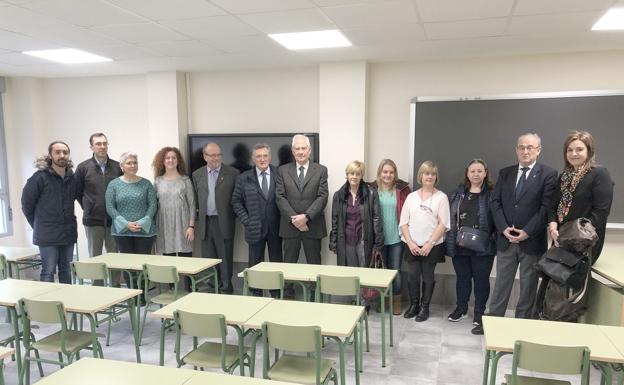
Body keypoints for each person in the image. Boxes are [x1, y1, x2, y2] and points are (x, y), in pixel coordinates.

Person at [487, 133, 558, 325]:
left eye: (530, 147)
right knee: (501, 284)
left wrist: (527, 231)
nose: (525, 151)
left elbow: (546, 208)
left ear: (538, 150)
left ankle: (522, 325)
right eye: (521, 147)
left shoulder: (549, 175)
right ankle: (494, 323)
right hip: (506, 240)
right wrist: (503, 229)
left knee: (528, 287)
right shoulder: (505, 173)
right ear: (516, 149)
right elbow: (495, 202)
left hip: (532, 242)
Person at [446, 159, 496, 334]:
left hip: (483, 247)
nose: (476, 174)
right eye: (472, 171)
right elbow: (449, 217)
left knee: (481, 281)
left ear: (485, 173)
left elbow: (497, 219)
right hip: (460, 245)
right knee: (462, 278)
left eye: (479, 171)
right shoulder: (457, 194)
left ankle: (479, 313)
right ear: (467, 173)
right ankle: (461, 309)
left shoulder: (492, 194)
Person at [275, 134, 328, 298]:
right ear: (292, 151)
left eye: (303, 148)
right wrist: (295, 219)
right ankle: (288, 295)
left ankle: (314, 296)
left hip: (312, 225)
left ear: (309, 150)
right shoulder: (282, 170)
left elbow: (322, 196)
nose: (300, 152)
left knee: (314, 264)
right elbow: (279, 197)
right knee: (289, 264)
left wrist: (306, 217)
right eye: (297, 148)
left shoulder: (320, 170)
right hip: (290, 227)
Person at [548, 131, 614, 262]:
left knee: (571, 282)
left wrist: (573, 239)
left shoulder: (599, 173)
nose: (573, 154)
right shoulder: (564, 177)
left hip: (583, 243)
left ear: (589, 151)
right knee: (552, 279)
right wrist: (553, 229)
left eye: (579, 149)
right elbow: (552, 206)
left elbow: (601, 212)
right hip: (560, 239)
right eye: (570, 150)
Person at [399, 160, 450, 322]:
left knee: (428, 276)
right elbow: (403, 223)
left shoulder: (441, 197)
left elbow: (443, 223)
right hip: (411, 244)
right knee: (412, 275)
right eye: (426, 173)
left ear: (436, 177)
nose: (430, 176)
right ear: (420, 176)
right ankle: (414, 305)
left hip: (432, 245)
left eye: (433, 174)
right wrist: (410, 243)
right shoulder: (411, 197)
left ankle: (424, 307)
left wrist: (430, 244)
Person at [21, 141, 78, 283]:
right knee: (48, 271)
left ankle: (67, 302)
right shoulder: (39, 178)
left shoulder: (72, 178)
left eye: (65, 152)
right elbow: (27, 205)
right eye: (58, 152)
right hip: (47, 235)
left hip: (68, 233)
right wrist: (38, 225)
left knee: (66, 269)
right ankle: (48, 304)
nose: (62, 155)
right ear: (50, 155)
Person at [232, 143, 283, 296]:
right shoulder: (243, 178)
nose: (262, 159)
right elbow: (236, 201)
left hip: (276, 228)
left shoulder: (279, 174)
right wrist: (247, 221)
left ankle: (276, 292)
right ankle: (256, 293)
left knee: (276, 263)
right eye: (258, 156)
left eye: (265, 155)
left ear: (270, 157)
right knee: (255, 264)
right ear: (253, 159)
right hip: (254, 228)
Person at [192, 143, 239, 293]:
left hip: (224, 221)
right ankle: (213, 287)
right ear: (205, 156)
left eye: (219, 154)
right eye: (212, 155)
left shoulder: (233, 173)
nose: (216, 158)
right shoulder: (197, 174)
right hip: (205, 222)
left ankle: (226, 288)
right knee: (209, 257)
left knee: (225, 257)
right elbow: (195, 199)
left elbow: (238, 199)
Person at [369, 159, 411, 315]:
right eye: (385, 172)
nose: (388, 175)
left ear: (395, 174)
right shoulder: (371, 189)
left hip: (396, 239)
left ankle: (395, 302)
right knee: (380, 271)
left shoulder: (402, 190)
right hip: (378, 239)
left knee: (395, 271)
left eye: (391, 172)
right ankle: (382, 300)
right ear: (380, 173)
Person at [75, 133, 122, 259]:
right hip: (93, 221)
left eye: (104, 143)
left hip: (114, 221)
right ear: (91, 147)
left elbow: (122, 190)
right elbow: (77, 192)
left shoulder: (117, 167)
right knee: (95, 258)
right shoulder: (83, 168)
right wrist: (89, 206)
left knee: (114, 258)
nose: (102, 146)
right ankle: (97, 280)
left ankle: (116, 280)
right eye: (98, 144)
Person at [329, 160, 384, 268]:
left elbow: (376, 219)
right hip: (346, 241)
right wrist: (333, 242)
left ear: (361, 175)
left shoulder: (371, 194)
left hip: (364, 241)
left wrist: (378, 244)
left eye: (357, 174)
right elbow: (335, 221)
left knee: (365, 273)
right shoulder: (339, 195)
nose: (354, 177)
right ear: (347, 175)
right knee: (349, 274)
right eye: (351, 173)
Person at [105, 152, 157, 254]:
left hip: (144, 231)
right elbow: (110, 206)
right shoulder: (113, 185)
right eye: (129, 163)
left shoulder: (146, 184)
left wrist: (142, 223)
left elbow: (153, 205)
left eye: (135, 163)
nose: (133, 165)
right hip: (122, 232)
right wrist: (126, 224)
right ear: (121, 166)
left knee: (143, 265)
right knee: (127, 265)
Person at [152, 147, 196, 257]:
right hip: (164, 224)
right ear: (162, 161)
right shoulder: (158, 181)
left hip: (183, 224)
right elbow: (153, 205)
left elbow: (192, 205)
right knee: (168, 260)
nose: (170, 160)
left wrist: (191, 227)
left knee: (186, 260)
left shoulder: (185, 180)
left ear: (178, 160)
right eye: (167, 158)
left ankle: (186, 275)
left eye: (173, 158)